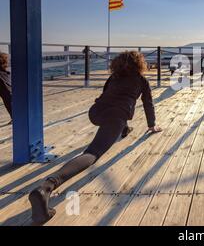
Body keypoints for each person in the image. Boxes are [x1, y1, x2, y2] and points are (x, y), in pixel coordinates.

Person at [29, 51, 161, 224]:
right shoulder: (141, 80)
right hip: (116, 115)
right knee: (92, 153)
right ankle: (46, 187)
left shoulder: (113, 77)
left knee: (113, 123)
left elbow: (108, 94)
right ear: (139, 64)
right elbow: (147, 103)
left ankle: (122, 129)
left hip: (96, 112)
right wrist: (152, 125)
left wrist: (123, 126)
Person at [0, 53, 12, 122]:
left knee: (8, 102)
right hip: (9, 91)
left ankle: (14, 118)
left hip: (6, 92)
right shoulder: (6, 73)